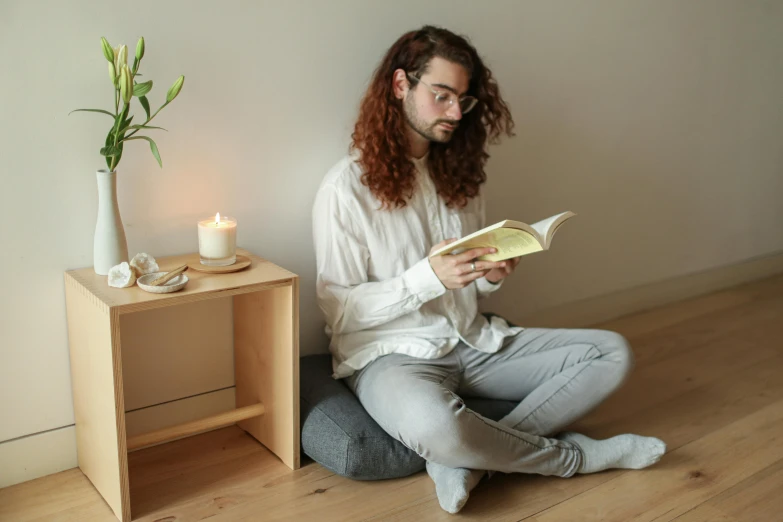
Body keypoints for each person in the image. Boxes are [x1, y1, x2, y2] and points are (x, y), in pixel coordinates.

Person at [312, 25, 665, 514]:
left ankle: (467, 460)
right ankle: (575, 457)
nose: (456, 113)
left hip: (471, 340)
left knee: (612, 353)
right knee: (438, 427)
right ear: (400, 86)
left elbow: (469, 288)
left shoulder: (458, 176)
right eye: (441, 96)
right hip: (390, 354)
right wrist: (426, 278)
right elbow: (339, 311)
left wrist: (491, 273)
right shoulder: (344, 188)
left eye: (464, 100)